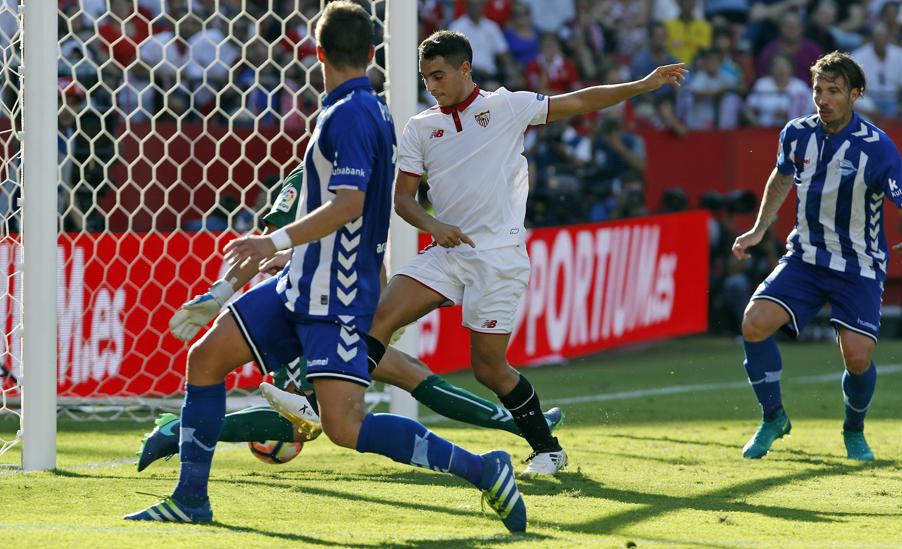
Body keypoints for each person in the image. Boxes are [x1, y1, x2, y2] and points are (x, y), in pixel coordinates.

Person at [125, 3, 528, 532]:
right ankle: (190, 499)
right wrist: (223, 290)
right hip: (299, 282)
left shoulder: (354, 114)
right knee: (205, 359)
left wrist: (268, 239)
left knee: (344, 426)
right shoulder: (363, 109)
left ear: (316, 52)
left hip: (335, 296)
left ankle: (485, 469)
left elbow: (349, 205)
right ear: (371, 54)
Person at [266, 30, 685, 477]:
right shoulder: (421, 127)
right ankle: (315, 403)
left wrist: (643, 84)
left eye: (440, 75)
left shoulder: (507, 107)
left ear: (465, 69)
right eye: (427, 79)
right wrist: (434, 226)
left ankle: (548, 449)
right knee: (379, 319)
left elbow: (579, 101)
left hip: (498, 257)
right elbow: (403, 199)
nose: (433, 85)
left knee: (488, 368)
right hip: (446, 250)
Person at [136, 165, 563, 472]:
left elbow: (371, 261)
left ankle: (520, 426)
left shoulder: (370, 187)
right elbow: (260, 247)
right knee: (312, 419)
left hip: (351, 313)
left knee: (397, 377)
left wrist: (380, 316)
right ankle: (177, 431)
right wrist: (221, 292)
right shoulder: (307, 180)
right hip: (306, 311)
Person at [732, 51, 902, 461]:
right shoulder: (796, 133)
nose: (823, 99)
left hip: (858, 265)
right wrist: (759, 229)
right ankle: (773, 417)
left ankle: (854, 430)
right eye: (818, 90)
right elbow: (780, 176)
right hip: (805, 256)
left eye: (834, 91)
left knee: (858, 359)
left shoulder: (877, 147)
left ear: (855, 94)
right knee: (754, 324)